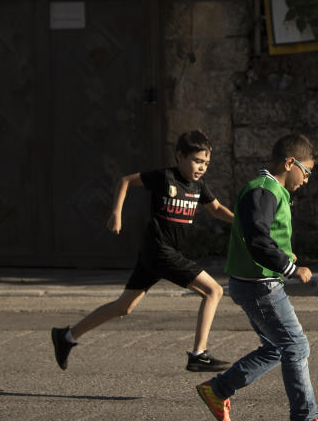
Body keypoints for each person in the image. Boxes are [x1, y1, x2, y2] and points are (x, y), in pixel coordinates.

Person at [195, 133, 318, 421]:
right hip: (260, 285)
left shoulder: (270, 191)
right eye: (307, 171)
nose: (307, 179)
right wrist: (291, 267)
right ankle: (304, 420)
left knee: (277, 348)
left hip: (253, 282)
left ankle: (218, 389)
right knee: (296, 346)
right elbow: (257, 239)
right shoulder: (264, 190)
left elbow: (261, 235)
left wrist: (282, 253)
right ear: (290, 163)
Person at [51, 130, 234, 373]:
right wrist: (116, 213)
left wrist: (242, 223)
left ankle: (66, 336)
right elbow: (125, 181)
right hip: (161, 251)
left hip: (155, 256)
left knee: (124, 307)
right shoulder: (164, 177)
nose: (202, 167)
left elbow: (217, 208)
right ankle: (199, 354)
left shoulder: (198, 186)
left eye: (206, 163)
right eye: (197, 161)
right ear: (180, 156)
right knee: (214, 290)